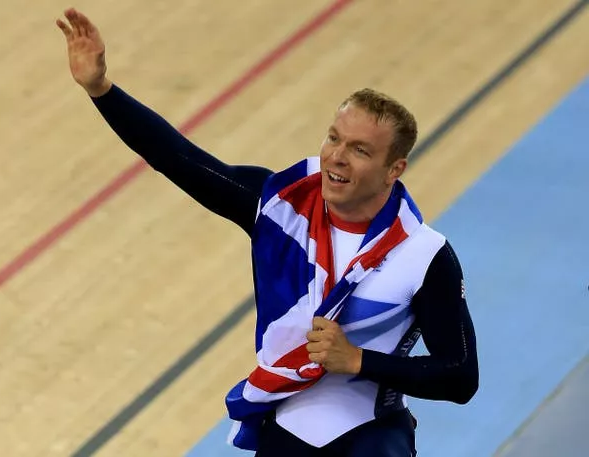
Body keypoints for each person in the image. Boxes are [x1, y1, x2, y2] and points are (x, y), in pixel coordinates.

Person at [56, 8, 479, 457]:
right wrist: (102, 90)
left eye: (359, 150)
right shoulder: (279, 207)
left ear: (394, 169)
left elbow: (460, 375)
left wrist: (358, 361)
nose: (337, 157)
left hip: (371, 438)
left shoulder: (424, 257)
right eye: (334, 138)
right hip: (285, 435)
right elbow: (178, 159)